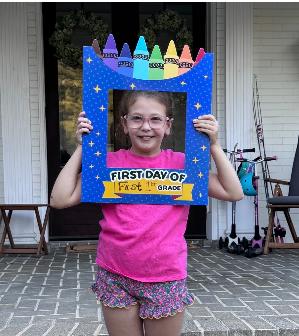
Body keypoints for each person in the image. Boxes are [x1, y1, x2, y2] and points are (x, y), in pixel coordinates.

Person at [50, 90, 243, 336]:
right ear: (124, 123)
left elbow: (233, 191)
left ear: (168, 125)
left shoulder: (182, 164)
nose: (146, 127)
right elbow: (59, 198)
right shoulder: (107, 163)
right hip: (115, 274)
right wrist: (81, 147)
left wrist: (213, 144)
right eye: (137, 118)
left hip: (165, 276)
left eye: (155, 119)